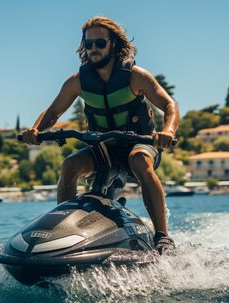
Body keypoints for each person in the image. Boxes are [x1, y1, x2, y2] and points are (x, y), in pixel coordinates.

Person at [21, 16, 180, 254]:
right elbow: (54, 111)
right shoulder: (78, 82)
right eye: (88, 44)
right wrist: (36, 129)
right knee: (71, 164)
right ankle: (62, 232)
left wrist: (167, 131)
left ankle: (162, 237)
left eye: (100, 43)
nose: (93, 48)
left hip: (140, 145)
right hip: (103, 149)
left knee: (138, 160)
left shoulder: (135, 76)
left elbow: (170, 106)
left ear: (114, 44)